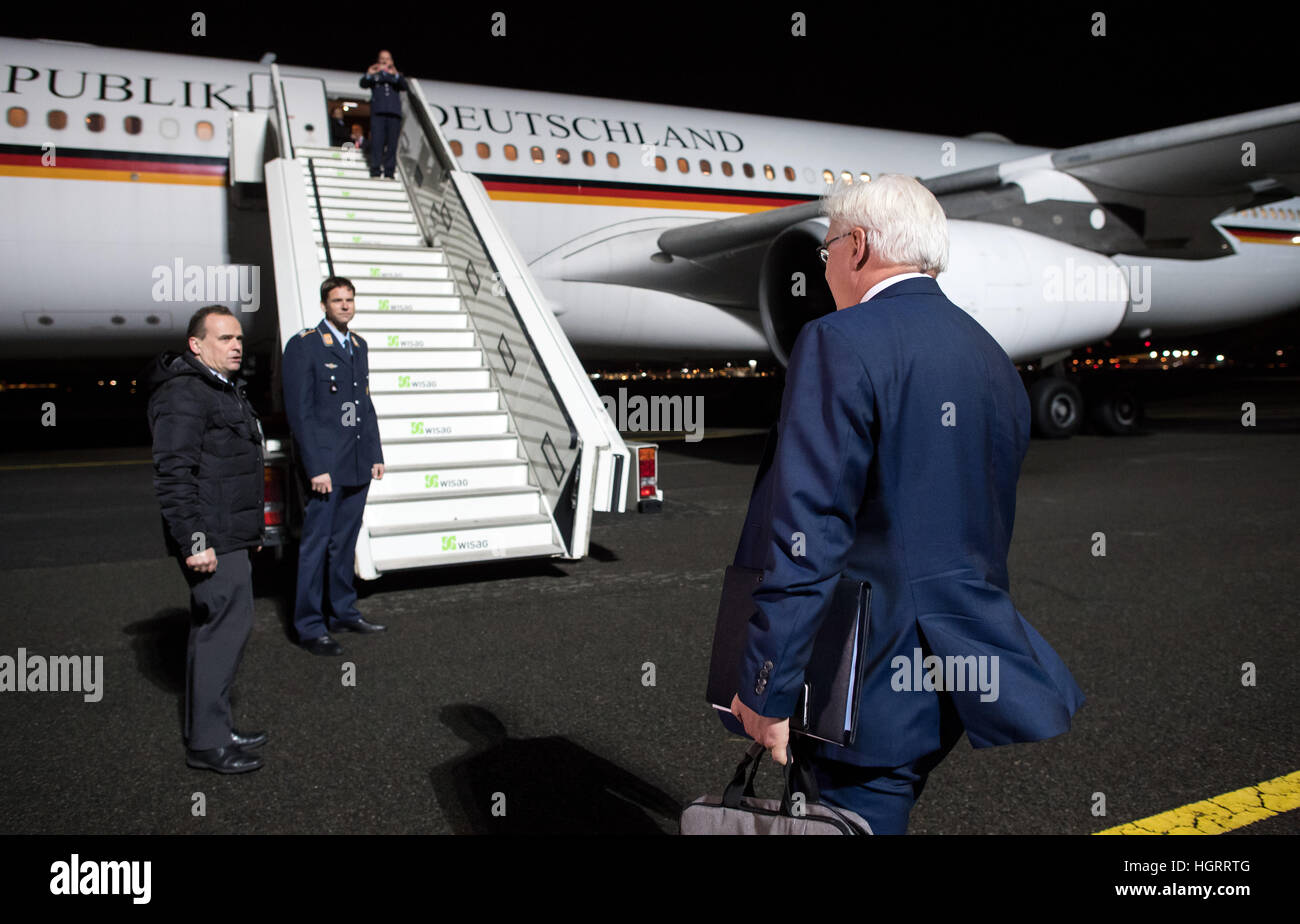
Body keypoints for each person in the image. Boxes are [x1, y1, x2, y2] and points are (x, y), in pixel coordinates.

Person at [728, 174, 1084, 834]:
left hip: (860, 681)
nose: (825, 265)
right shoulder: (990, 357)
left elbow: (810, 530)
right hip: (948, 670)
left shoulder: (839, 340)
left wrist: (767, 687)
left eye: (826, 248)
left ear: (857, 246)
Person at [146, 305, 268, 774]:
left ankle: (214, 727)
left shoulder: (221, 388)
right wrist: (195, 541)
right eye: (224, 339)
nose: (236, 345)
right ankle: (207, 744)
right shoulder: (186, 394)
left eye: (238, 338)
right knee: (222, 632)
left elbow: (230, 469)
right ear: (197, 345)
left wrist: (248, 531)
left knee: (217, 633)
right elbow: (175, 475)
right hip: (210, 537)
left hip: (229, 533)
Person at [282, 277, 386, 656]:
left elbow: (364, 405)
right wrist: (315, 466)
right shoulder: (305, 345)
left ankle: (343, 611)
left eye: (349, 299)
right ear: (324, 305)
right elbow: (301, 413)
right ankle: (309, 626)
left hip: (356, 463)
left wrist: (375, 453)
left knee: (344, 543)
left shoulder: (359, 345)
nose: (344, 306)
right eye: (337, 300)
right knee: (316, 545)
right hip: (326, 467)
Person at [359, 49, 407, 179]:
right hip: (378, 112)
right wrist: (370, 73)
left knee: (392, 144)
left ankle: (389, 172)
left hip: (394, 113)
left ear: (392, 61)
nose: (385, 61)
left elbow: (404, 86)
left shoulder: (396, 76)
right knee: (377, 142)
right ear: (378, 60)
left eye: (388, 58)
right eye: (382, 58)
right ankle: (375, 170)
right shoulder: (375, 76)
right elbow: (363, 83)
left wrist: (395, 73)